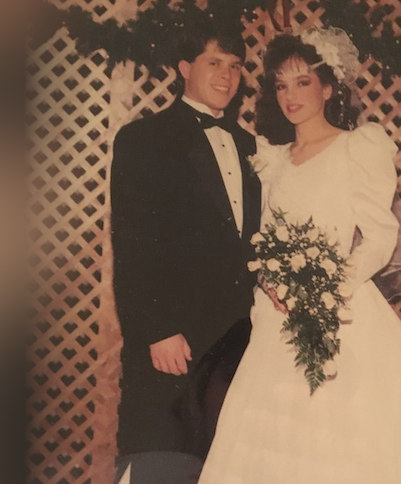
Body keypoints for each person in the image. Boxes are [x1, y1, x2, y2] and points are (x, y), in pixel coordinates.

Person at [198, 29, 401, 484]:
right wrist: (272, 284)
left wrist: (325, 290)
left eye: (302, 82)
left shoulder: (357, 147)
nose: (290, 96)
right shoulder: (272, 158)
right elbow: (262, 240)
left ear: (329, 87)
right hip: (275, 322)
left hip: (340, 314)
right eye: (281, 85)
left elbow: (380, 235)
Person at [109, 20, 261, 484]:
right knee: (160, 463)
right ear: (184, 68)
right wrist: (158, 329)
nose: (226, 75)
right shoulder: (144, 139)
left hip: (235, 345)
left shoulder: (250, 146)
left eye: (234, 65)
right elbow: (132, 244)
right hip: (171, 343)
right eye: (213, 62)